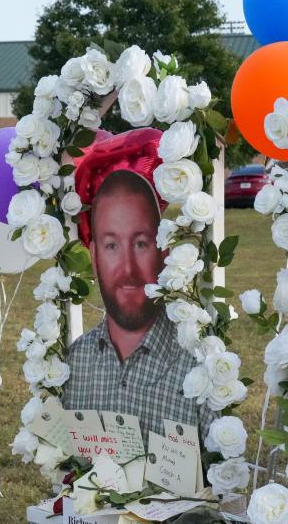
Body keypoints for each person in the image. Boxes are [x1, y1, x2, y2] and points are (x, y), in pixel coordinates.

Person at [63, 128, 212, 440]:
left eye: (141, 243)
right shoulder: (73, 363)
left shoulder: (200, 366)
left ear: (165, 250)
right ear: (93, 255)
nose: (127, 268)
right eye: (111, 246)